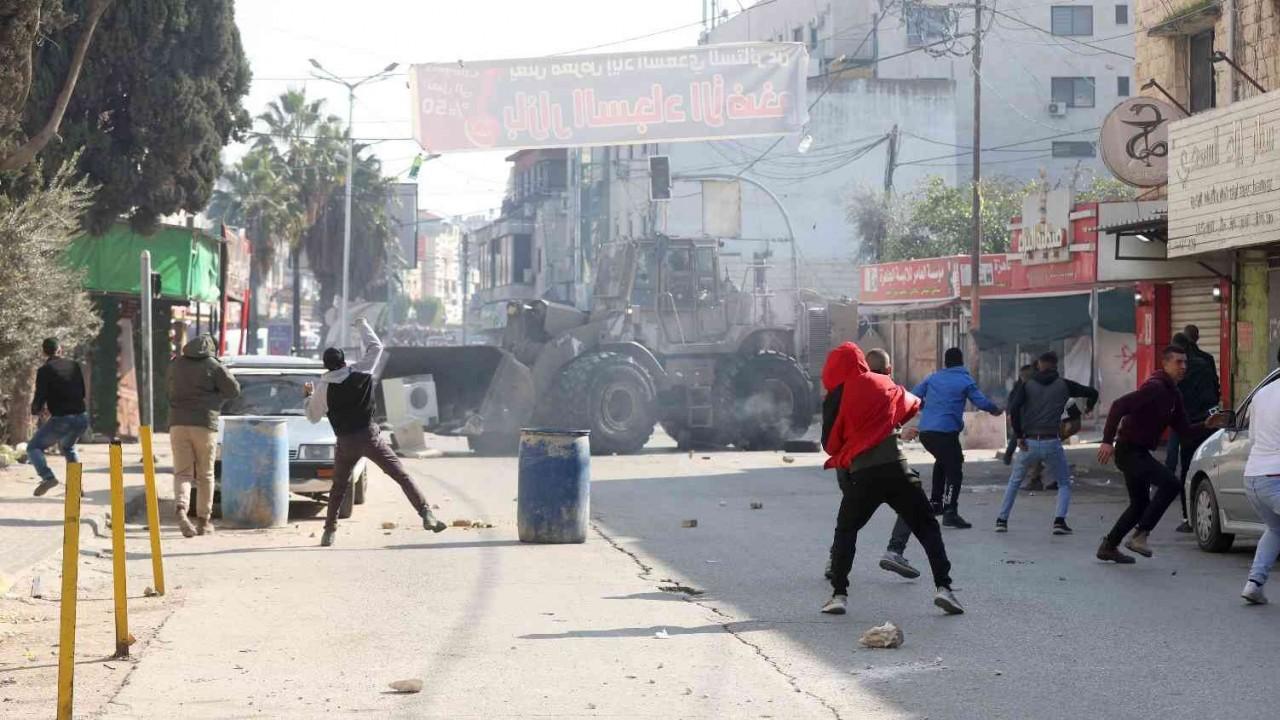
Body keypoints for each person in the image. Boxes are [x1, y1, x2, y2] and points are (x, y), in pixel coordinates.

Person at [819, 342, 963, 616]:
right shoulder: (882, 382)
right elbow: (910, 403)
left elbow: (829, 443)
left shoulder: (837, 395)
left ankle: (839, 594)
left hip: (862, 474)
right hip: (896, 468)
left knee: (846, 531)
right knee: (927, 527)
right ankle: (945, 589)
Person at [305, 317, 446, 547]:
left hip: (346, 443)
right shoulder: (361, 371)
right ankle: (426, 513)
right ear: (343, 362)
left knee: (338, 488)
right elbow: (376, 347)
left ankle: (329, 532)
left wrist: (308, 397)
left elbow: (312, 417)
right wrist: (361, 324)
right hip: (370, 438)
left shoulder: (324, 387)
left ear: (326, 365)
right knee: (401, 476)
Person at [1096, 344, 1227, 563]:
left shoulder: (1174, 394)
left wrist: (1207, 424)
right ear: (1165, 364)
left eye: (1185, 362)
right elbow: (1119, 406)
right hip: (1129, 450)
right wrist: (1107, 441)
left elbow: (1184, 431)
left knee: (1139, 504)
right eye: (1178, 362)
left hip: (1138, 451)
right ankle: (1140, 535)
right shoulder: (1156, 387)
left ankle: (1109, 546)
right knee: (1171, 484)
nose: (1183, 367)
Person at [821, 350, 924, 581]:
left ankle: (835, 562)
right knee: (913, 501)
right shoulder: (885, 388)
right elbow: (879, 430)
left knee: (850, 519)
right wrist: (899, 432)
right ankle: (895, 550)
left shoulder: (845, 390)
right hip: (877, 465)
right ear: (889, 369)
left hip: (847, 467)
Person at [897, 347, 1002, 531]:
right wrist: (995, 409)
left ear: (945, 362)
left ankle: (936, 503)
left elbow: (913, 396)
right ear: (962, 361)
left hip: (927, 432)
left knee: (942, 462)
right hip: (945, 433)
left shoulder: (933, 377)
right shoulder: (965, 380)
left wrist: (926, 408)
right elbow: (981, 402)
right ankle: (950, 512)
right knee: (954, 469)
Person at [995, 351, 1098, 535]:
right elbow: (1092, 392)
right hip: (1052, 441)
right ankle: (1059, 522)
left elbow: (1015, 409)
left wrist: (1019, 435)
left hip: (1029, 441)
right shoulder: (1064, 385)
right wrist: (1089, 407)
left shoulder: (1027, 385)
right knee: (1064, 483)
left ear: (1039, 365)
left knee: (1014, 482)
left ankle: (1002, 520)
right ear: (1055, 365)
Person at [168, 334, 241, 538]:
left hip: (178, 423)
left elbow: (169, 389)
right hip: (204, 424)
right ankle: (203, 521)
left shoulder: (176, 364)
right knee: (205, 474)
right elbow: (234, 390)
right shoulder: (214, 365)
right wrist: (215, 397)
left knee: (182, 473)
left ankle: (181, 509)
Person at [1166, 329, 1220, 533]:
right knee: (1206, 468)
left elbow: (1175, 396)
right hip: (1207, 422)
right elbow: (1215, 390)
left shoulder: (1181, 370)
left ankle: (1188, 517)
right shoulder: (1206, 361)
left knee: (1187, 470)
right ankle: (1202, 512)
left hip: (1187, 424)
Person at [29, 338, 90, 497]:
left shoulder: (44, 370)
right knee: (68, 447)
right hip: (82, 417)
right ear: (60, 350)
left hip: (62, 419)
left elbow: (40, 395)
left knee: (33, 448)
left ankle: (48, 478)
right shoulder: (74, 365)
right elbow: (82, 392)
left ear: (43, 352)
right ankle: (76, 486)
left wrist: (36, 410)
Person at [1240, 368, 1280, 605]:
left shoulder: (1261, 393)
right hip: (1276, 476)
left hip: (1253, 476)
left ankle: (1254, 583)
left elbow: (1252, 439)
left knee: (1275, 529)